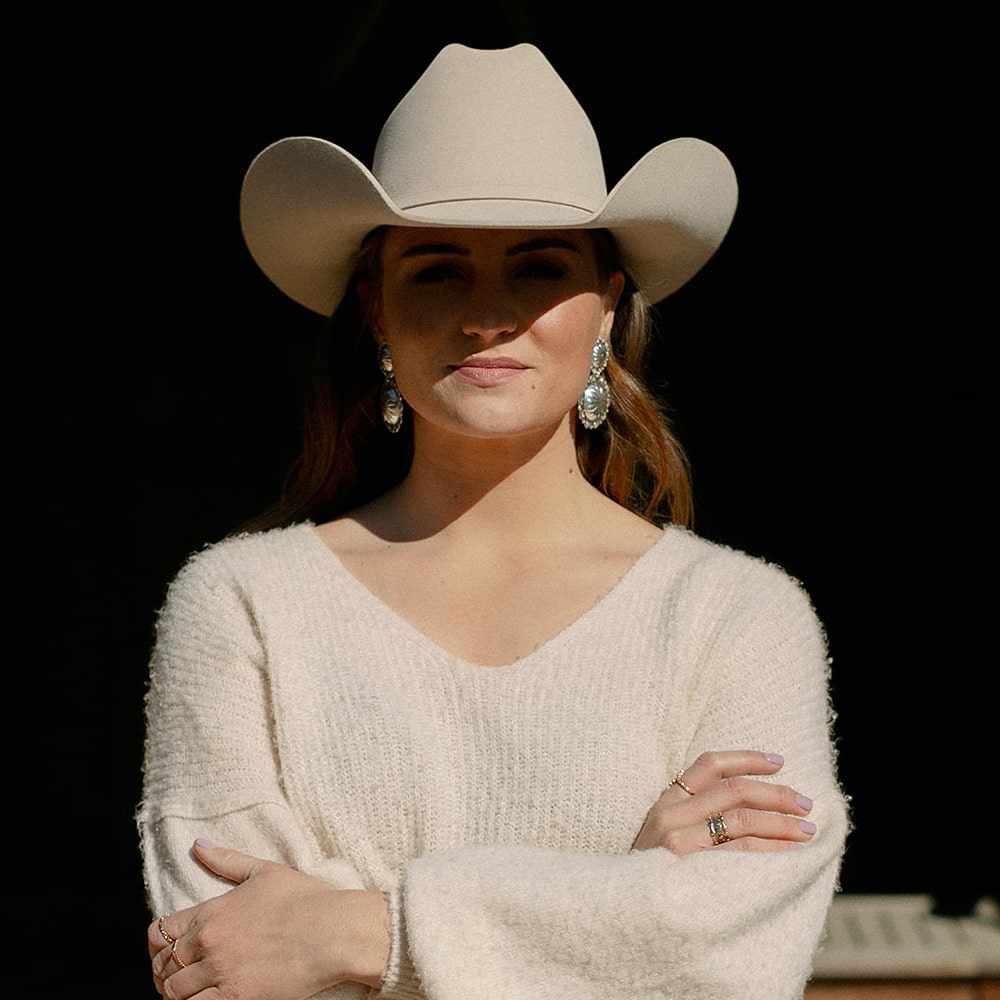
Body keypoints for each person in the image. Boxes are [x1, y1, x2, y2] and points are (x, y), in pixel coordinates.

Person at [140, 43, 847, 1000]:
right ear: (375, 311)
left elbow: (733, 965)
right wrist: (617, 903)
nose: (487, 316)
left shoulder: (740, 618)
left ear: (607, 307)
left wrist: (365, 934)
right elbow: (229, 965)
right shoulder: (240, 607)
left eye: (537, 267)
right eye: (438, 270)